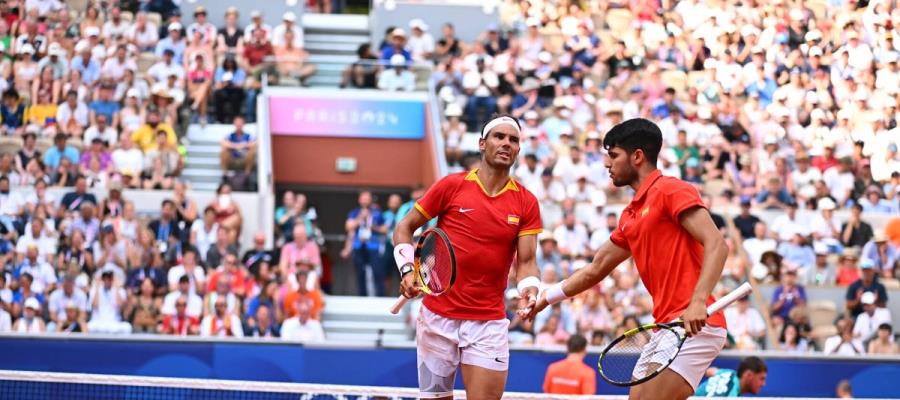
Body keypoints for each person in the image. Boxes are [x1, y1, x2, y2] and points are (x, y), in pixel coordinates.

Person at [527, 119, 728, 400]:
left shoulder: (671, 189)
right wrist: (546, 298)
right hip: (666, 327)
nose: (607, 164)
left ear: (637, 157)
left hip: (696, 324)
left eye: (613, 155)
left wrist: (698, 300)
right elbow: (595, 270)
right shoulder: (630, 216)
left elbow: (717, 244)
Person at [394, 114, 542, 399]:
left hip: (487, 323)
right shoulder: (451, 186)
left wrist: (529, 289)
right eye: (499, 137)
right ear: (482, 144)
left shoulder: (526, 201)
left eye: (513, 140)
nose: (506, 144)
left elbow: (526, 262)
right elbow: (404, 228)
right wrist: (407, 270)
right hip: (437, 318)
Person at [695, 356, 768, 397]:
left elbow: (709, 371)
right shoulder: (732, 395)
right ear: (748, 375)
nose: (763, 384)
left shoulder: (729, 373)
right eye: (761, 379)